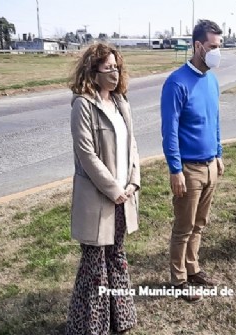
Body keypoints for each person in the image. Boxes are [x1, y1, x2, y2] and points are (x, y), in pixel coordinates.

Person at [66, 42, 140, 334]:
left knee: (117, 256)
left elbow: (131, 145)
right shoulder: (83, 105)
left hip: (124, 195)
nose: (114, 73)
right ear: (92, 71)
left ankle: (119, 319)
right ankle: (89, 325)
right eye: (107, 68)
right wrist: (113, 189)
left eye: (116, 67)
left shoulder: (122, 103)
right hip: (98, 199)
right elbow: (86, 155)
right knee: (95, 263)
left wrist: (134, 180)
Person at [160, 19, 224, 303]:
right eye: (212, 47)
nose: (216, 52)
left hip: (210, 165)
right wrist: (176, 170)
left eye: (219, 46)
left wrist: (219, 154)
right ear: (198, 46)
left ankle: (193, 268)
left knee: (199, 224)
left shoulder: (211, 80)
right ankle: (178, 279)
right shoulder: (176, 83)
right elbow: (169, 131)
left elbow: (215, 120)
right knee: (184, 227)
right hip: (188, 168)